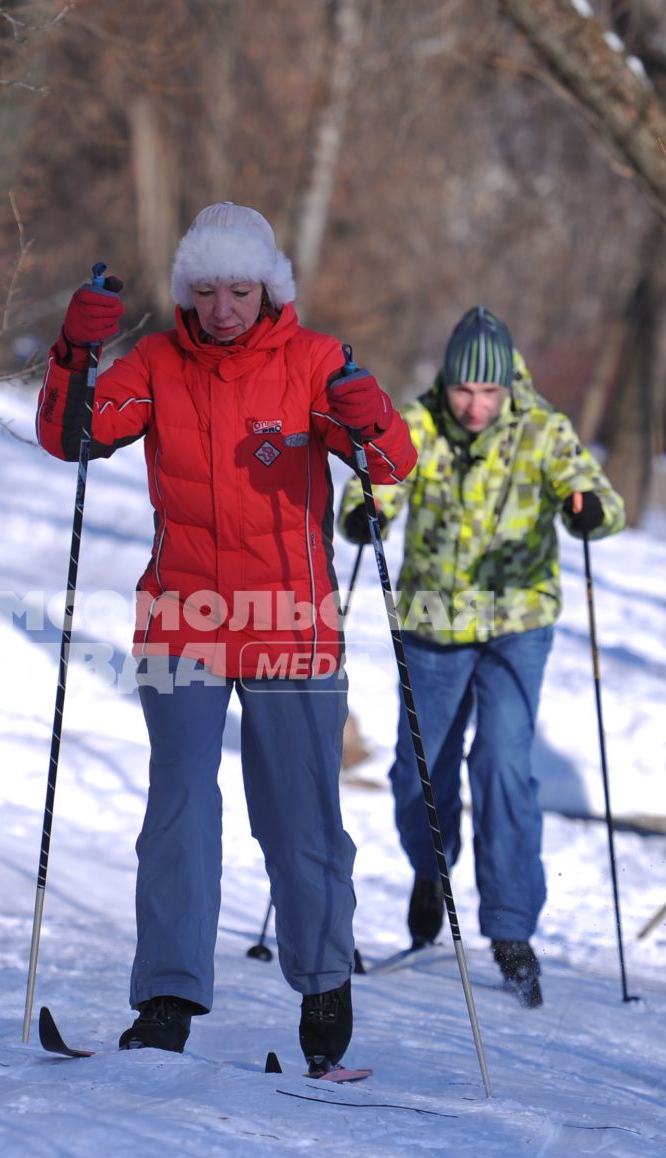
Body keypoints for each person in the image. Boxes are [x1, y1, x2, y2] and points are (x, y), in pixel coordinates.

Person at [35, 203, 416, 1069]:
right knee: (178, 807)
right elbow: (75, 437)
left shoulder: (317, 361)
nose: (223, 309)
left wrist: (367, 414)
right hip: (184, 614)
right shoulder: (157, 363)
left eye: (240, 289)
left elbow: (389, 468)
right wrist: (72, 355)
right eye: (205, 290)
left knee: (301, 814)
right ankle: (165, 1004)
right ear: (187, 293)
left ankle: (324, 992)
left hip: (292, 619)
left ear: (270, 288)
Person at [338, 306, 625, 1008]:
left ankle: (509, 926)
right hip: (434, 623)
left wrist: (589, 510)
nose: (475, 406)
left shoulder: (541, 429)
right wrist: (365, 509)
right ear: (448, 383)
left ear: (507, 387)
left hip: (516, 623)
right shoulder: (418, 424)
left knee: (501, 759)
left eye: (488, 393)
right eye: (465, 391)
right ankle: (431, 869)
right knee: (420, 771)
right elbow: (376, 481)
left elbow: (599, 497)